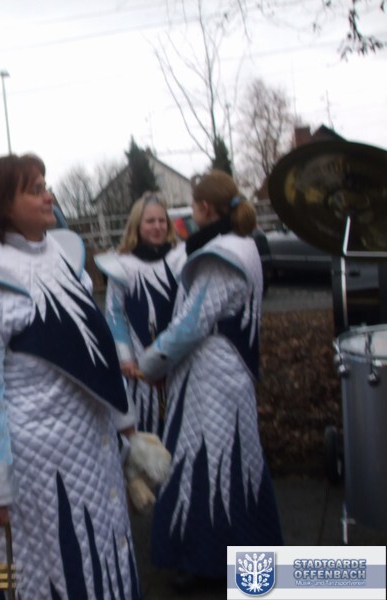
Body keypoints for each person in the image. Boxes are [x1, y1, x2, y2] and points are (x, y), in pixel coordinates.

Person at [0, 154, 141, 599]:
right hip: (31, 467)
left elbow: (96, 349)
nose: (49, 196)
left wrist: (125, 424)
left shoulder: (60, 255)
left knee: (102, 567)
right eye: (35, 189)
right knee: (16, 575)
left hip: (90, 449)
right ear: (2, 204)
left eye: (46, 185)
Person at [138, 170, 283, 593]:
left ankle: (204, 561)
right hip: (230, 371)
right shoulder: (244, 244)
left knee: (203, 462)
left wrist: (148, 365)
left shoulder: (219, 256)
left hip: (210, 375)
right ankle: (249, 555)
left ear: (203, 208)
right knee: (237, 459)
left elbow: (190, 326)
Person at [95, 192, 186, 436]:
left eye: (162, 220)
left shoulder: (180, 257)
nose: (157, 226)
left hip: (179, 360)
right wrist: (126, 357)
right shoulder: (122, 264)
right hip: (139, 363)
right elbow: (114, 313)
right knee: (148, 431)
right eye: (150, 221)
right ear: (137, 224)